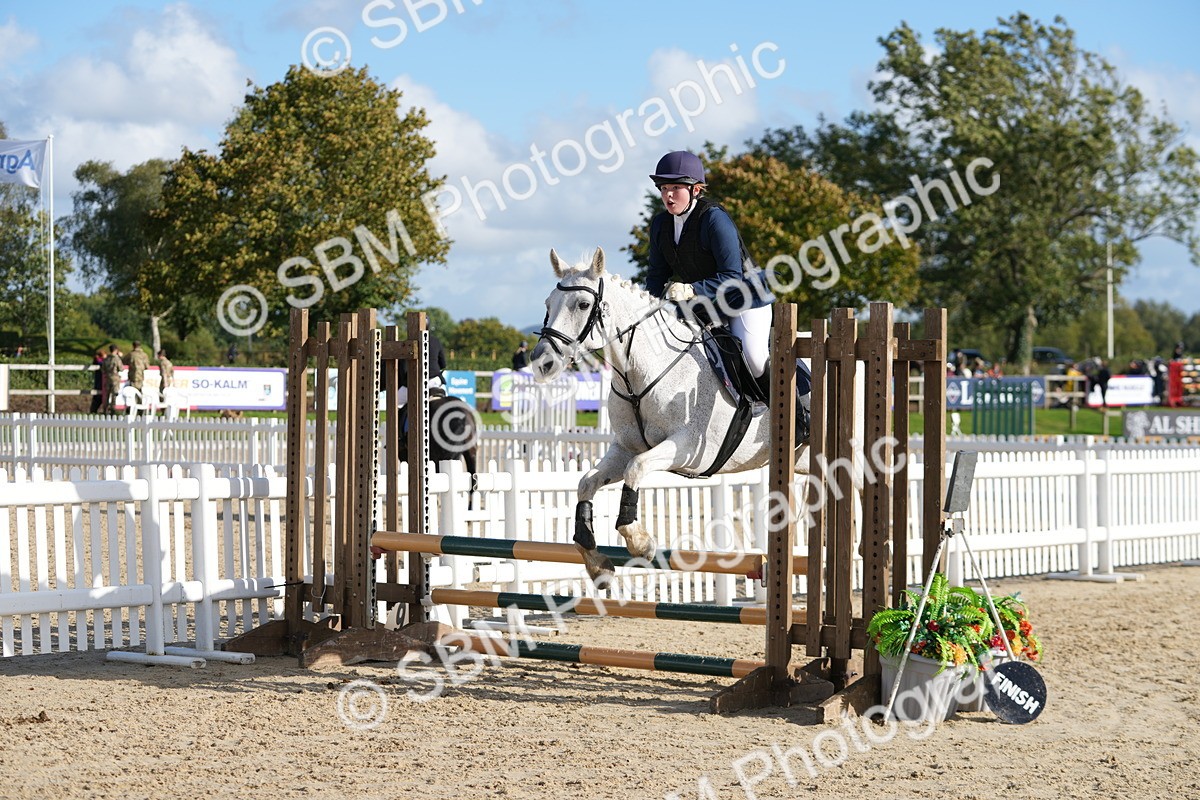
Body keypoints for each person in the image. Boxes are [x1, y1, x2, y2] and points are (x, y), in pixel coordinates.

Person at [643, 150, 775, 399]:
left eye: (675, 188)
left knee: (754, 358)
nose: (668, 195)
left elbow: (731, 277)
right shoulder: (661, 224)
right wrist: (646, 309)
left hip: (745, 298)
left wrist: (691, 289)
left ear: (695, 189)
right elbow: (656, 275)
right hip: (706, 304)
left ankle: (791, 414)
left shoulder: (714, 219)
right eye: (663, 188)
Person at [101, 345, 123, 414]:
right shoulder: (116, 359)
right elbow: (121, 368)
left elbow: (103, 369)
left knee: (106, 395)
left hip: (107, 378)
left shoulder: (106, 358)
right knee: (114, 395)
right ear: (116, 350)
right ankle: (112, 410)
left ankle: (105, 410)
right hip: (115, 379)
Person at [89, 349, 106, 413]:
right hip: (100, 382)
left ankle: (93, 411)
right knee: (98, 398)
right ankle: (93, 411)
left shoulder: (98, 361)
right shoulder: (100, 361)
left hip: (99, 382)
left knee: (97, 398)